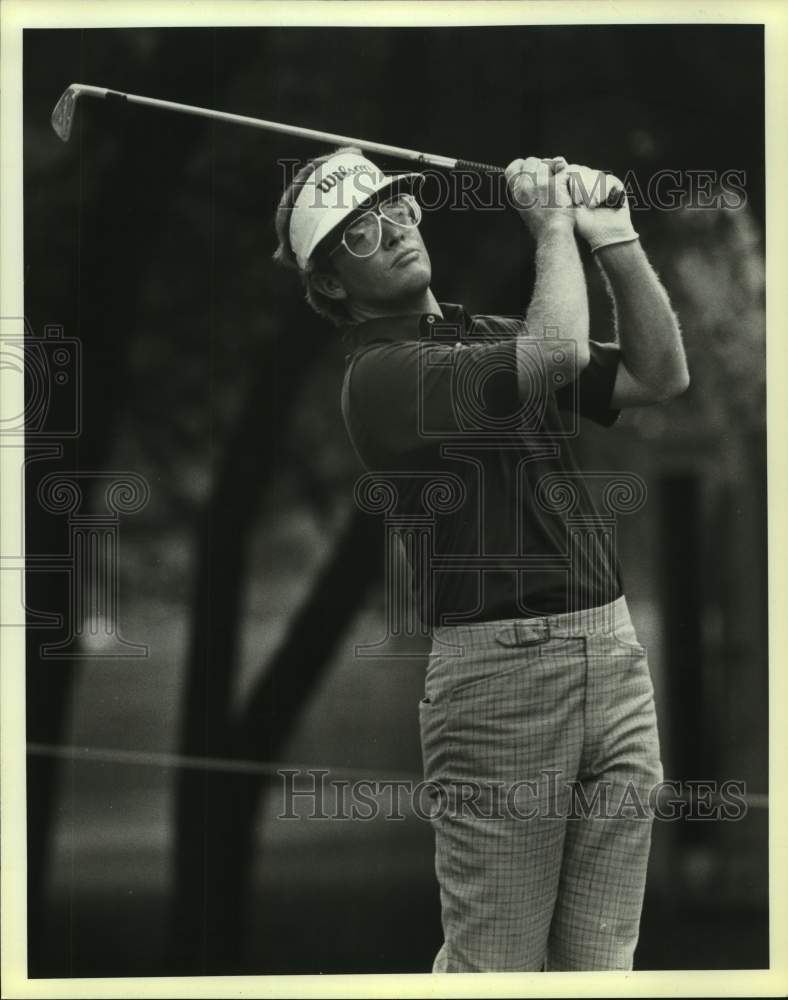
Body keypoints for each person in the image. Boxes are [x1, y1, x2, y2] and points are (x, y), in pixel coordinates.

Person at [273, 146, 688, 972]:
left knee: (601, 964)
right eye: (357, 235)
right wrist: (548, 231)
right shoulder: (380, 378)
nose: (391, 232)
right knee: (496, 968)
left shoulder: (488, 333)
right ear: (329, 286)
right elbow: (556, 357)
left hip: (611, 653)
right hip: (500, 684)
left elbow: (659, 374)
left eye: (397, 209)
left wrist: (614, 240)